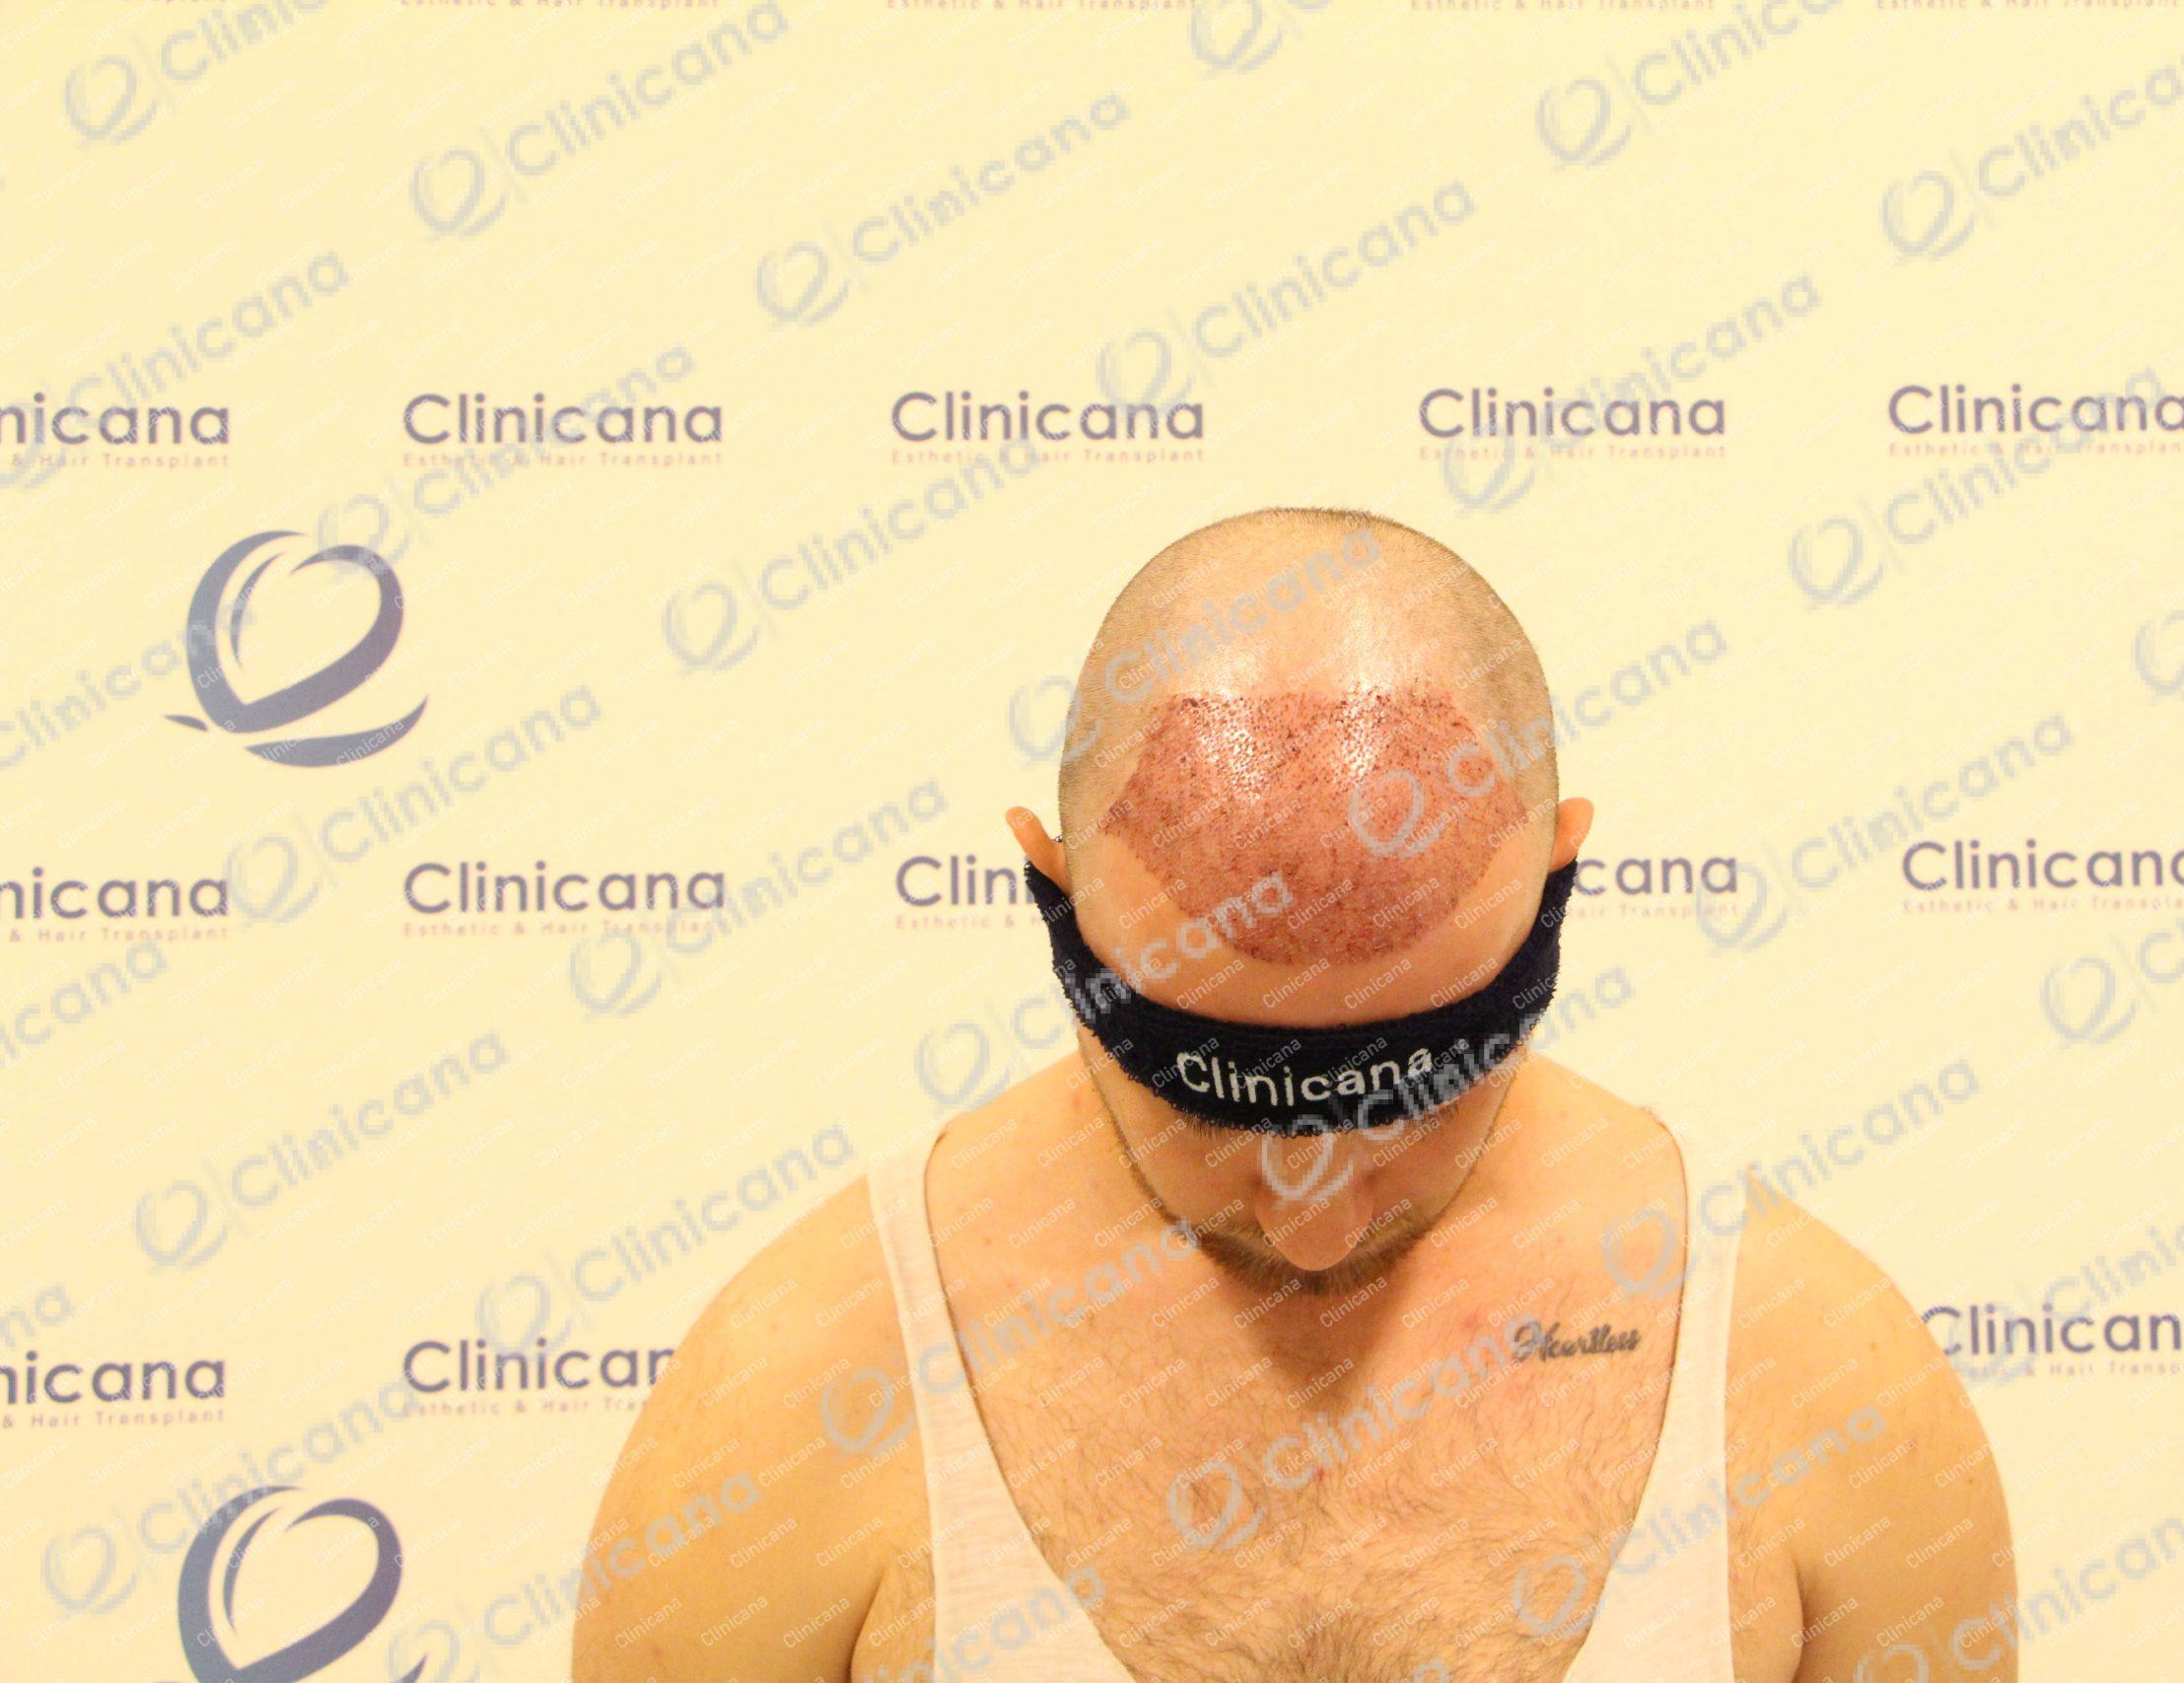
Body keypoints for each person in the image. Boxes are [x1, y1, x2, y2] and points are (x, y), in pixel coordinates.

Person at [572, 508, 2017, 1682]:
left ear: (1557, 881)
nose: (1316, 1222)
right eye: (1212, 1102)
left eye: (1418, 1092)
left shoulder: (1815, 1383)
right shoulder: (799, 1400)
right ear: (1054, 896)